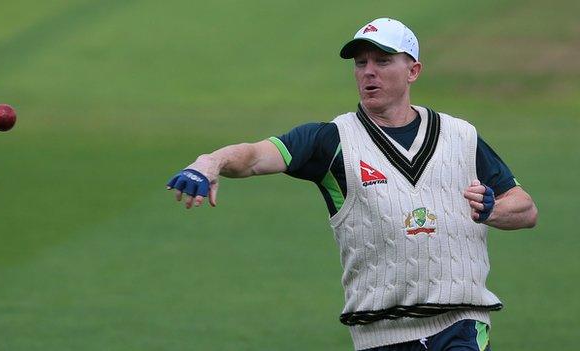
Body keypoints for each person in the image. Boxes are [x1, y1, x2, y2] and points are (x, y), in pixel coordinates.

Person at [166, 17, 538, 351]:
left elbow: (525, 208)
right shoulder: (331, 140)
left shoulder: (460, 136)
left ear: (413, 70)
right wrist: (209, 163)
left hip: (460, 325)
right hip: (378, 334)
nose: (368, 72)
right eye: (361, 63)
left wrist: (494, 209)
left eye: (382, 61)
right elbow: (254, 157)